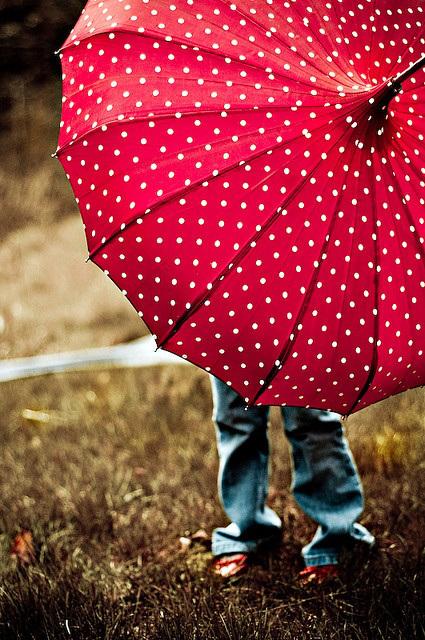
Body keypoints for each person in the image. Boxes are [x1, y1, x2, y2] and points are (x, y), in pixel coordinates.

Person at [209, 376, 375, 582]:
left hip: (308, 344)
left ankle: (338, 535)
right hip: (235, 343)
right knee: (236, 417)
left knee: (311, 414)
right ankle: (248, 528)